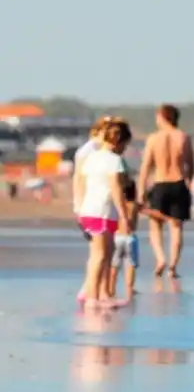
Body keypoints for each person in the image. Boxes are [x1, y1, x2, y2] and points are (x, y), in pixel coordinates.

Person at [75, 120, 134, 308]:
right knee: (100, 255)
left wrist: (80, 208)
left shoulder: (90, 158)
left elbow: (82, 183)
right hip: (101, 211)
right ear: (118, 141)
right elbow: (116, 189)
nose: (125, 149)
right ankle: (92, 297)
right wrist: (125, 215)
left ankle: (102, 294)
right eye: (125, 144)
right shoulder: (114, 160)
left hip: (92, 210)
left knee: (106, 254)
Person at [137, 104, 194, 279]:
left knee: (155, 225)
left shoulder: (154, 138)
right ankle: (172, 266)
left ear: (163, 117)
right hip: (178, 183)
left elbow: (146, 167)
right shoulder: (183, 137)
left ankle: (160, 258)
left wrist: (141, 190)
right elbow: (190, 164)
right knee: (176, 227)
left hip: (160, 183)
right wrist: (188, 182)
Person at [108, 162, 140, 300]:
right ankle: (129, 288)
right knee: (131, 264)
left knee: (114, 265)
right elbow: (148, 211)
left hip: (117, 237)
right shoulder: (134, 205)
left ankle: (111, 288)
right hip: (130, 237)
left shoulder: (116, 204)